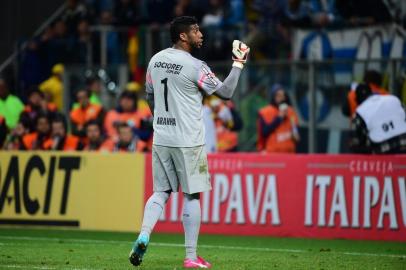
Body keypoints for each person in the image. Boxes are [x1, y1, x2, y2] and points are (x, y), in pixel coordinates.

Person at [129, 16, 250, 268]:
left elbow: (150, 96)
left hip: (162, 136)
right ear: (183, 36)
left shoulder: (156, 60)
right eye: (195, 31)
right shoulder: (196, 66)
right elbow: (226, 93)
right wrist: (238, 63)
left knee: (160, 191)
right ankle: (191, 257)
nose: (200, 34)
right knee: (192, 195)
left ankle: (143, 234)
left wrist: (160, 120)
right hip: (189, 140)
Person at [350, 83, 406, 154]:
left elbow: (355, 142)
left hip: (383, 151)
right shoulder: (393, 99)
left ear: (357, 100)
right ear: (372, 93)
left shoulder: (359, 112)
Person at [257, 84, 300, 153]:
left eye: (283, 96)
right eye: (278, 96)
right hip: (272, 153)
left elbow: (295, 130)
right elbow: (264, 132)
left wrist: (295, 134)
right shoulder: (266, 112)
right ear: (273, 97)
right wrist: (279, 118)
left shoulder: (291, 111)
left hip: (289, 152)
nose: (281, 98)